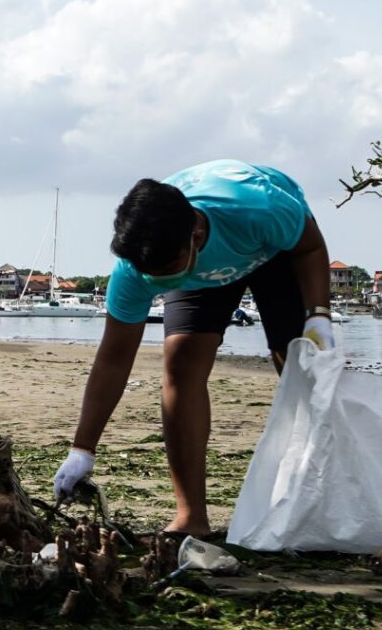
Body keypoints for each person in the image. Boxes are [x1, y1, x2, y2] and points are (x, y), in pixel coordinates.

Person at [54, 161, 335, 541]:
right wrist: (82, 449)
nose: (158, 282)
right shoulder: (139, 267)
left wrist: (318, 316)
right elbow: (113, 359)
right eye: (150, 273)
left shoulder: (260, 207)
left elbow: (311, 246)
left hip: (275, 252)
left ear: (196, 235)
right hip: (202, 268)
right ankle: (191, 516)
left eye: (165, 269)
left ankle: (326, 496)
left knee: (298, 366)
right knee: (182, 362)